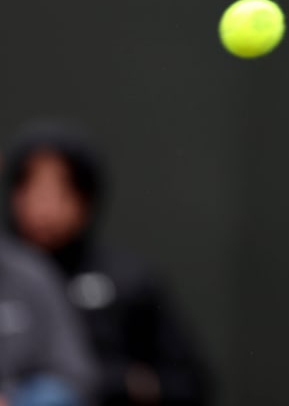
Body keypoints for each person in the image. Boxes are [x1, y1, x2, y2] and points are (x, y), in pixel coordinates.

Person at [0, 119, 214, 406]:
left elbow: (191, 383)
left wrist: (123, 382)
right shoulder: (17, 273)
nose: (44, 207)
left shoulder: (129, 281)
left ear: (87, 198)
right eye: (31, 188)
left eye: (62, 190)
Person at [0, 231, 99, 406]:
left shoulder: (30, 272)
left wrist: (11, 396)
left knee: (50, 395)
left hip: (21, 396)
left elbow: (74, 371)